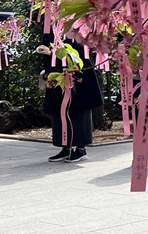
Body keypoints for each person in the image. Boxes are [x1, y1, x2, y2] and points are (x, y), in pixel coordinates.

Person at [39, 32, 103, 163]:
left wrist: (52, 52)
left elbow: (78, 53)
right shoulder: (49, 31)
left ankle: (81, 149)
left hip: (78, 74)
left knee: (79, 112)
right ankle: (66, 147)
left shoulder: (75, 29)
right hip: (57, 75)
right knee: (60, 111)